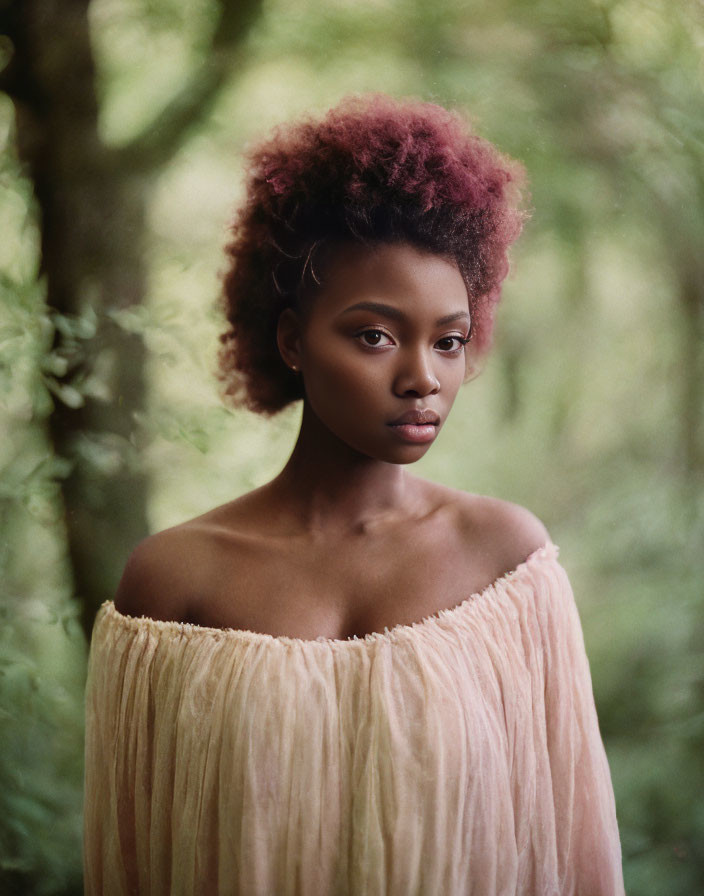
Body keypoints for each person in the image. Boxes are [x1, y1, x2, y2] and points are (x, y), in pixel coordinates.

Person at [83, 94, 625, 895]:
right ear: (292, 340)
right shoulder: (171, 586)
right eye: (374, 334)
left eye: (449, 340)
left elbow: (574, 858)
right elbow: (131, 867)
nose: (422, 379)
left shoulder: (508, 566)